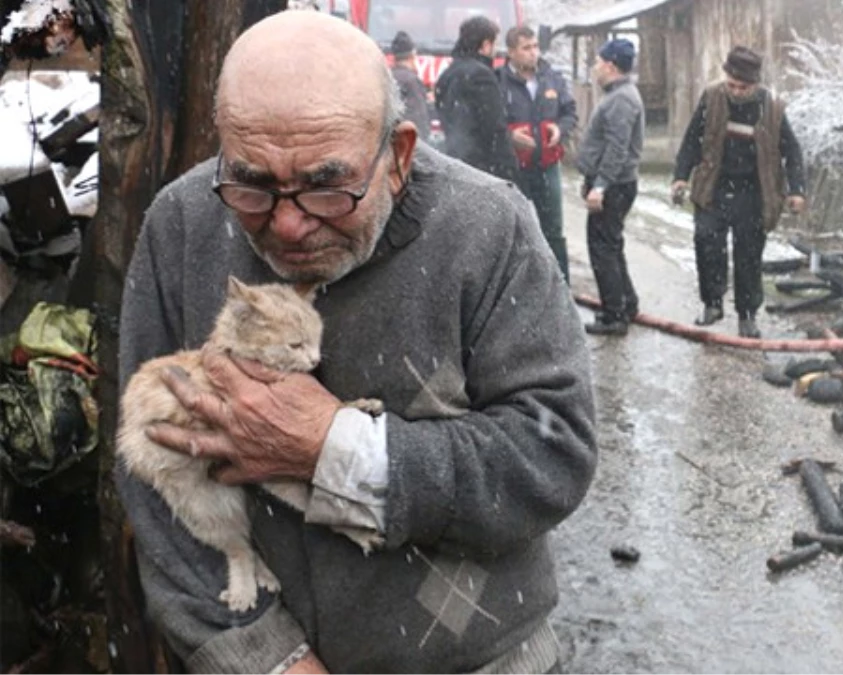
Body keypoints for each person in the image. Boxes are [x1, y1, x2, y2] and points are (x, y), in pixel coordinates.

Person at [115, 10, 596, 674]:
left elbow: (553, 454)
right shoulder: (183, 224)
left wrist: (335, 449)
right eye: (252, 183)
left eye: (325, 185)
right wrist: (262, 656)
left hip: (482, 659)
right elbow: (148, 475)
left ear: (397, 155)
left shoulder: (489, 229)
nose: (286, 224)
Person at [672, 46, 806, 339]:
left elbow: (792, 151)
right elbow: (692, 139)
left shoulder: (771, 108)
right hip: (714, 187)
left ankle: (747, 315)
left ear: (755, 84)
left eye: (743, 87)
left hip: (754, 192)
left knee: (748, 255)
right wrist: (680, 177)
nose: (736, 92)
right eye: (731, 84)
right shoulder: (712, 97)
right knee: (706, 242)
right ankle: (712, 304)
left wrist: (797, 189)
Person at [497, 25, 577, 283]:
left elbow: (570, 113)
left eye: (535, 47)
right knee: (514, 230)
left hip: (547, 166)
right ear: (511, 52)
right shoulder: (498, 81)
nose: (533, 53)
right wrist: (510, 137)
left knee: (553, 230)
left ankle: (561, 287)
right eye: (526, 48)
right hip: (514, 169)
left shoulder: (551, 78)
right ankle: (519, 287)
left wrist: (560, 129)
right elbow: (490, 124)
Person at [575, 38, 643, 336]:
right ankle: (626, 303)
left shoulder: (621, 100)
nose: (594, 67)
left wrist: (600, 186)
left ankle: (615, 315)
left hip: (614, 185)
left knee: (602, 249)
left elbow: (617, 148)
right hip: (614, 183)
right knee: (611, 246)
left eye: (598, 61)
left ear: (611, 66)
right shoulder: (619, 95)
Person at [434, 15, 517, 180]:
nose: (495, 51)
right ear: (485, 45)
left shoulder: (447, 74)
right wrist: (510, 170)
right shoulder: (482, 76)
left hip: (454, 164)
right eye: (495, 45)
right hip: (481, 170)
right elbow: (494, 129)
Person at [389, 31, 435, 137]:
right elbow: (419, 117)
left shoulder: (388, 76)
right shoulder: (412, 81)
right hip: (409, 141)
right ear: (412, 56)